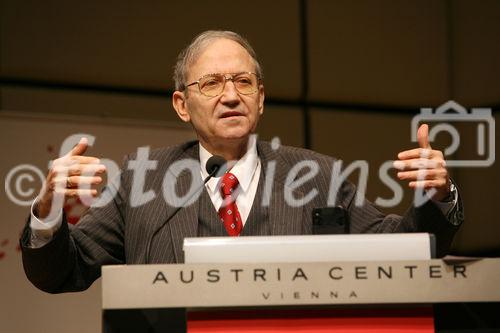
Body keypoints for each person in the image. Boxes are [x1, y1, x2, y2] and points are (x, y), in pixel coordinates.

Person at [21, 30, 462, 294]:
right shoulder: (142, 182)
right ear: (181, 104)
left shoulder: (320, 176)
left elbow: (405, 249)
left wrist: (438, 195)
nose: (230, 95)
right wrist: (48, 211)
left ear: (261, 98)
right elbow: (61, 272)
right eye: (211, 83)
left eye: (243, 81)